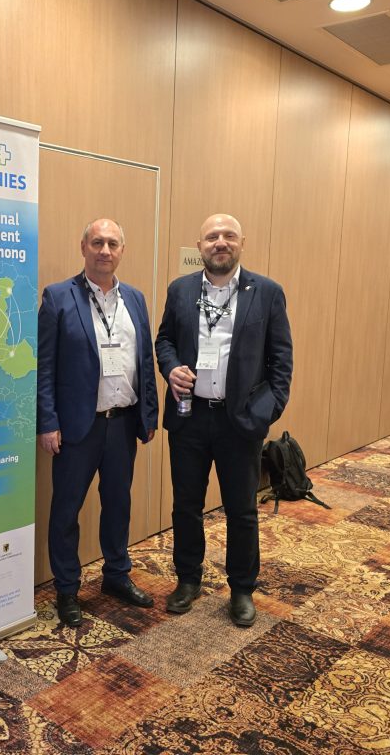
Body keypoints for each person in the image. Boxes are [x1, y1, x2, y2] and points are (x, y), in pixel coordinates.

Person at [155, 213, 292, 627]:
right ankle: (188, 580)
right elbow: (164, 340)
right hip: (189, 417)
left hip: (240, 423)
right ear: (199, 246)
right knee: (186, 506)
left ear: (241, 243)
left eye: (229, 236)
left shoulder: (267, 292)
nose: (220, 242)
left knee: (241, 510)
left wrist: (263, 413)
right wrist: (171, 368)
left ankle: (242, 588)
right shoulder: (180, 290)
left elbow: (280, 361)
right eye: (212, 236)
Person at [37, 218, 159, 627]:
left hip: (122, 423)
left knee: (118, 504)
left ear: (122, 251)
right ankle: (67, 589)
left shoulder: (135, 299)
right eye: (97, 242)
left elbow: (144, 361)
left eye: (112, 244)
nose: (105, 250)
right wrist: (47, 422)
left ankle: (116, 575)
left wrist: (149, 413)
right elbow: (45, 366)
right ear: (83, 247)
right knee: (66, 510)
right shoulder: (58, 297)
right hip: (78, 427)